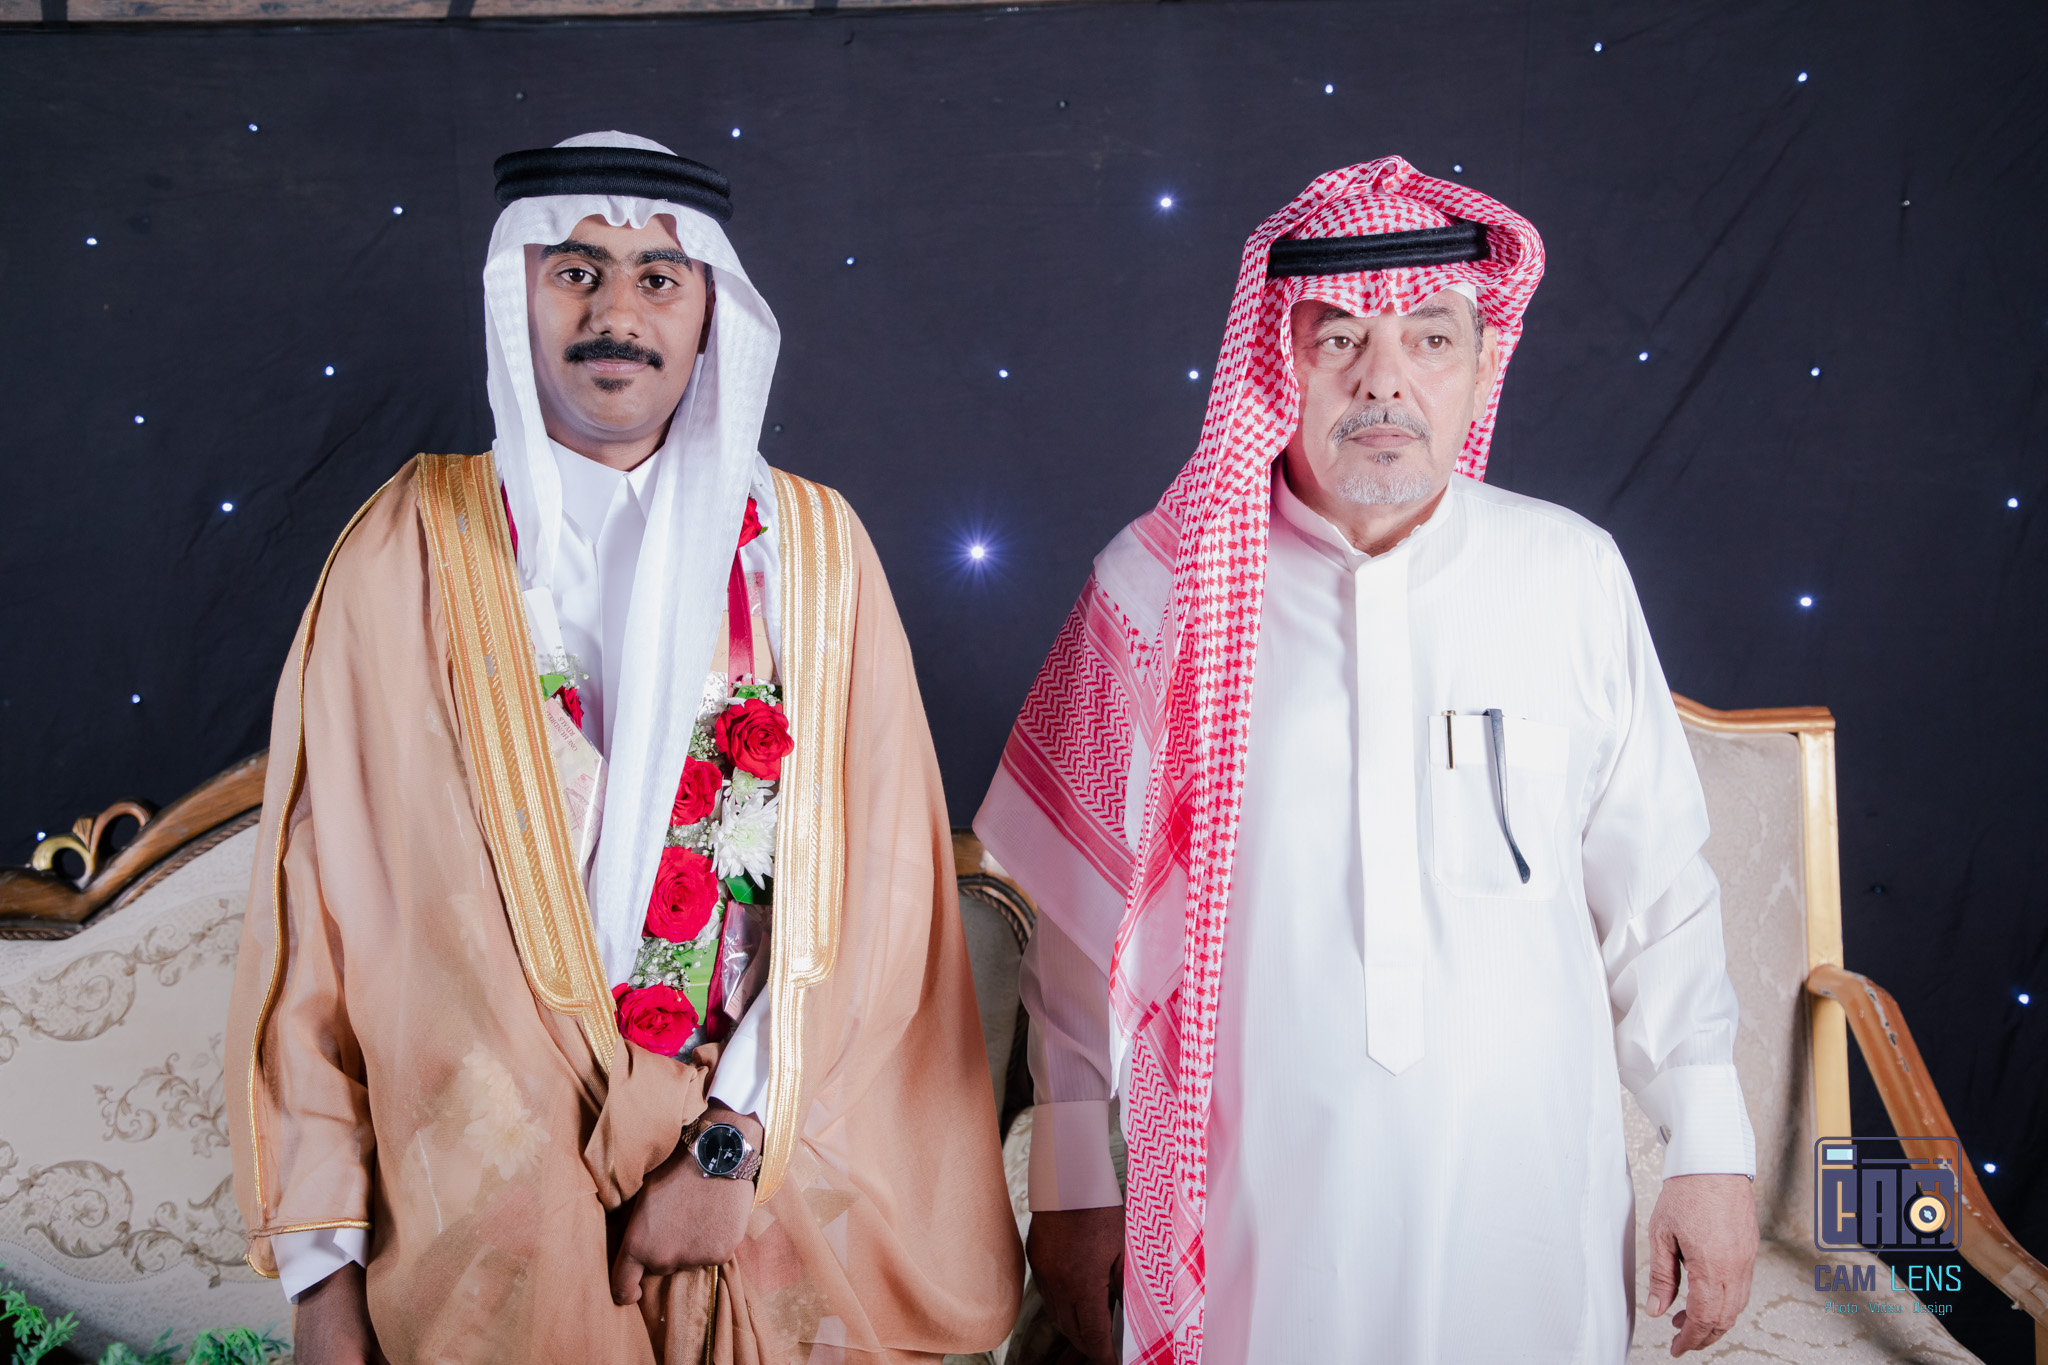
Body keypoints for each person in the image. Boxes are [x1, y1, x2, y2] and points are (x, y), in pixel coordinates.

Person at [226, 131, 1022, 1365]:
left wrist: (729, 1150)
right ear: (517, 296)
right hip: (484, 1205)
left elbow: (883, 899)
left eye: (657, 277)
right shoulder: (407, 548)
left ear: (710, 311)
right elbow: (319, 914)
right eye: (575, 272)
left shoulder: (811, 554)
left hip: (753, 1184)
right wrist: (323, 1277)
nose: (615, 315)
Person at [974, 156, 1759, 1364]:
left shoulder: (1569, 575)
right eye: (1337, 337)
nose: (1382, 380)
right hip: (1254, 1209)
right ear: (1271, 361)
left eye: (1428, 340)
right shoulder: (1154, 593)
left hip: (1525, 1197)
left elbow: (1656, 892)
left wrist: (1705, 1146)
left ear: (1482, 364)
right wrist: (1075, 1180)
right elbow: (1084, 932)